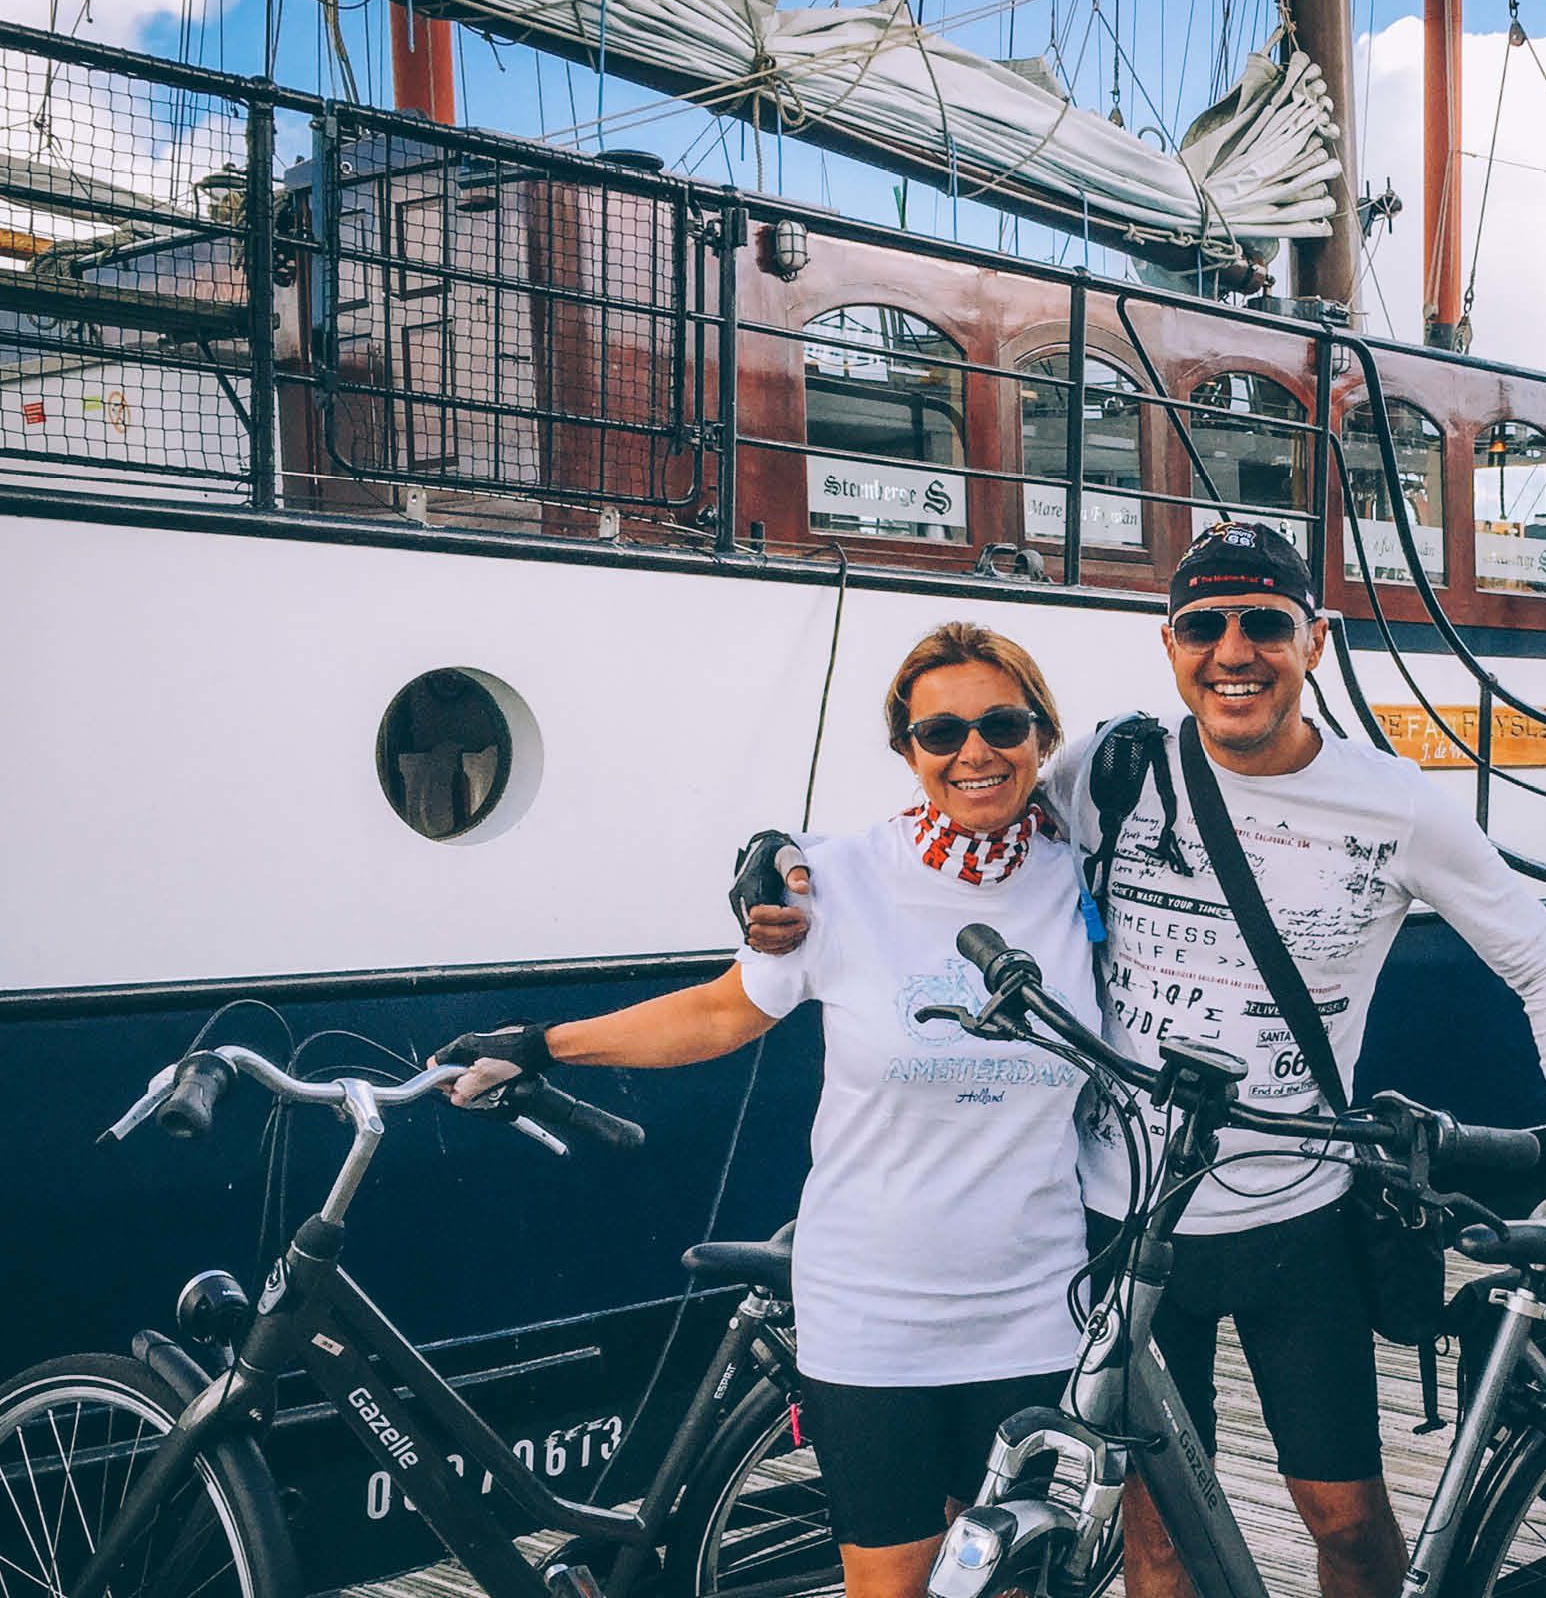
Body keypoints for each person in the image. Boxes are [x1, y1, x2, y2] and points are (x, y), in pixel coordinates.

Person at [746, 523, 1546, 1598]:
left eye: (1264, 624)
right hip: (1122, 1222)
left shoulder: (1396, 806)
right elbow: (964, 804)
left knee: (1346, 1521)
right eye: (1203, 625)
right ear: (1171, 645)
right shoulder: (1111, 767)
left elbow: (1544, 965)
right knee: (1156, 1537)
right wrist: (790, 864)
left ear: (1314, 640)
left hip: (1297, 1218)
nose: (1232, 650)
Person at [433, 623, 1100, 1598]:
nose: (974, 751)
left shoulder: (1081, 872)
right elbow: (718, 1012)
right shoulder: (839, 880)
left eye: (1002, 724)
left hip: (1034, 1310)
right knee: (893, 1585)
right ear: (906, 750)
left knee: (1005, 1584)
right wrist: (542, 1042)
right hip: (871, 1314)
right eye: (940, 732)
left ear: (1042, 735)